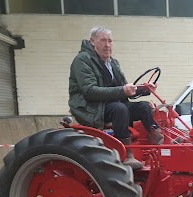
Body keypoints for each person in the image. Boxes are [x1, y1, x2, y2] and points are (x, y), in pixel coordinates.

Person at [68, 26, 164, 170]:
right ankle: (127, 154)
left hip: (112, 106)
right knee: (120, 109)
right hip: (91, 108)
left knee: (144, 107)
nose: (107, 45)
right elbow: (89, 91)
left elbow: (125, 89)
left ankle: (158, 139)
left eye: (110, 41)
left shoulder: (113, 63)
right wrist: (122, 91)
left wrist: (145, 89)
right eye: (103, 41)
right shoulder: (82, 60)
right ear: (92, 42)